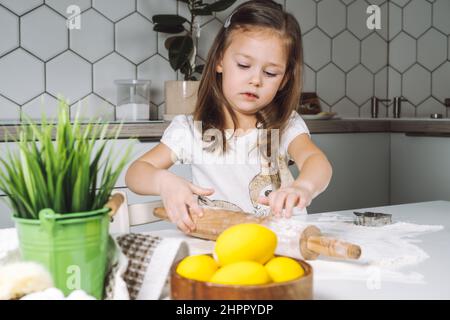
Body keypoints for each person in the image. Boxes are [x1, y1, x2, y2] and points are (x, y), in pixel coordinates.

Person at [125, 0, 332, 233]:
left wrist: (303, 187)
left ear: (284, 80)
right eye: (244, 65)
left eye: (270, 73)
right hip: (221, 245)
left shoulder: (285, 125)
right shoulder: (190, 130)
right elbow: (136, 172)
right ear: (220, 60)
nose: (256, 80)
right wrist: (163, 182)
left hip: (281, 241)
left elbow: (318, 162)